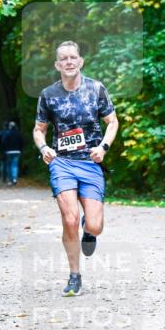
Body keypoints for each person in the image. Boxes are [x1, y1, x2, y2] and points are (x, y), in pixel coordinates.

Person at [32, 41, 119, 296]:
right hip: (62, 163)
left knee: (95, 225)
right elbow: (39, 129)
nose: (69, 61)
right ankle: (74, 276)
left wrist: (103, 147)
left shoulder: (96, 89)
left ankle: (89, 231)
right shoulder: (48, 94)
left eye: (73, 57)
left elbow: (112, 122)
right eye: (64, 58)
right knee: (69, 219)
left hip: (90, 162)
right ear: (57, 65)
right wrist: (44, 148)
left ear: (80, 61)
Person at [0, 121, 23, 185]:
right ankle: (15, 179)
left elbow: (3, 142)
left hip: (8, 152)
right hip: (17, 151)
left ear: (10, 127)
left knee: (9, 166)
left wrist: (5, 149)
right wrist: (20, 150)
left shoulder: (7, 134)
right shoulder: (18, 133)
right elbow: (22, 142)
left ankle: (10, 180)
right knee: (15, 165)